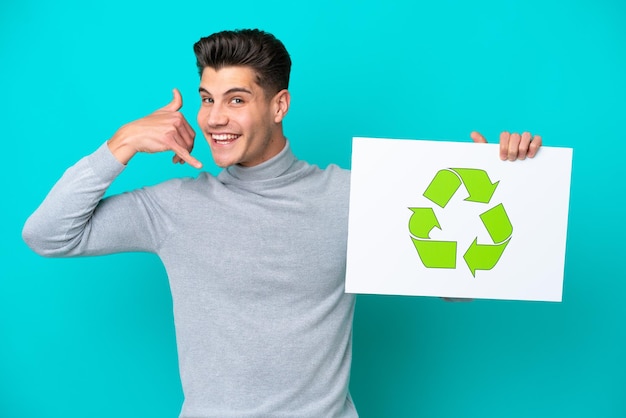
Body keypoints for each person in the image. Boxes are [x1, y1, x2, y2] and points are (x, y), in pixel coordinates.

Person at [22, 29, 542, 418]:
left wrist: (501, 180)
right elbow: (46, 235)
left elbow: (456, 289)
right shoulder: (174, 207)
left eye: (236, 100)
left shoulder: (352, 196)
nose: (214, 118)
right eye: (206, 99)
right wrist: (122, 145)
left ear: (279, 105)